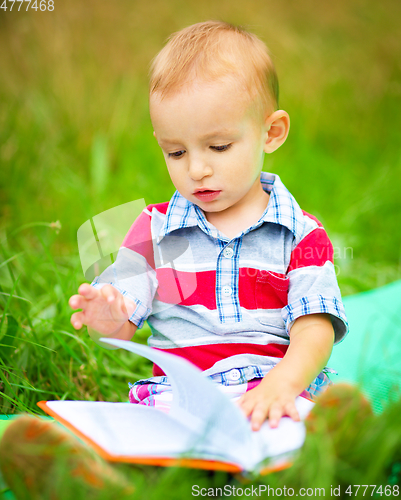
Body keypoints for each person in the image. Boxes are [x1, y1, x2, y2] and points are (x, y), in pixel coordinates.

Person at [69, 20, 348, 432]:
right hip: (182, 394)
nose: (196, 169)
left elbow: (314, 328)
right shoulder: (154, 231)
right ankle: (100, 474)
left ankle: (346, 444)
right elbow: (122, 324)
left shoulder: (301, 234)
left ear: (271, 133)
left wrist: (282, 385)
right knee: (151, 435)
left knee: (302, 430)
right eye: (176, 152)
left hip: (271, 390)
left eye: (218, 147)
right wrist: (107, 315)